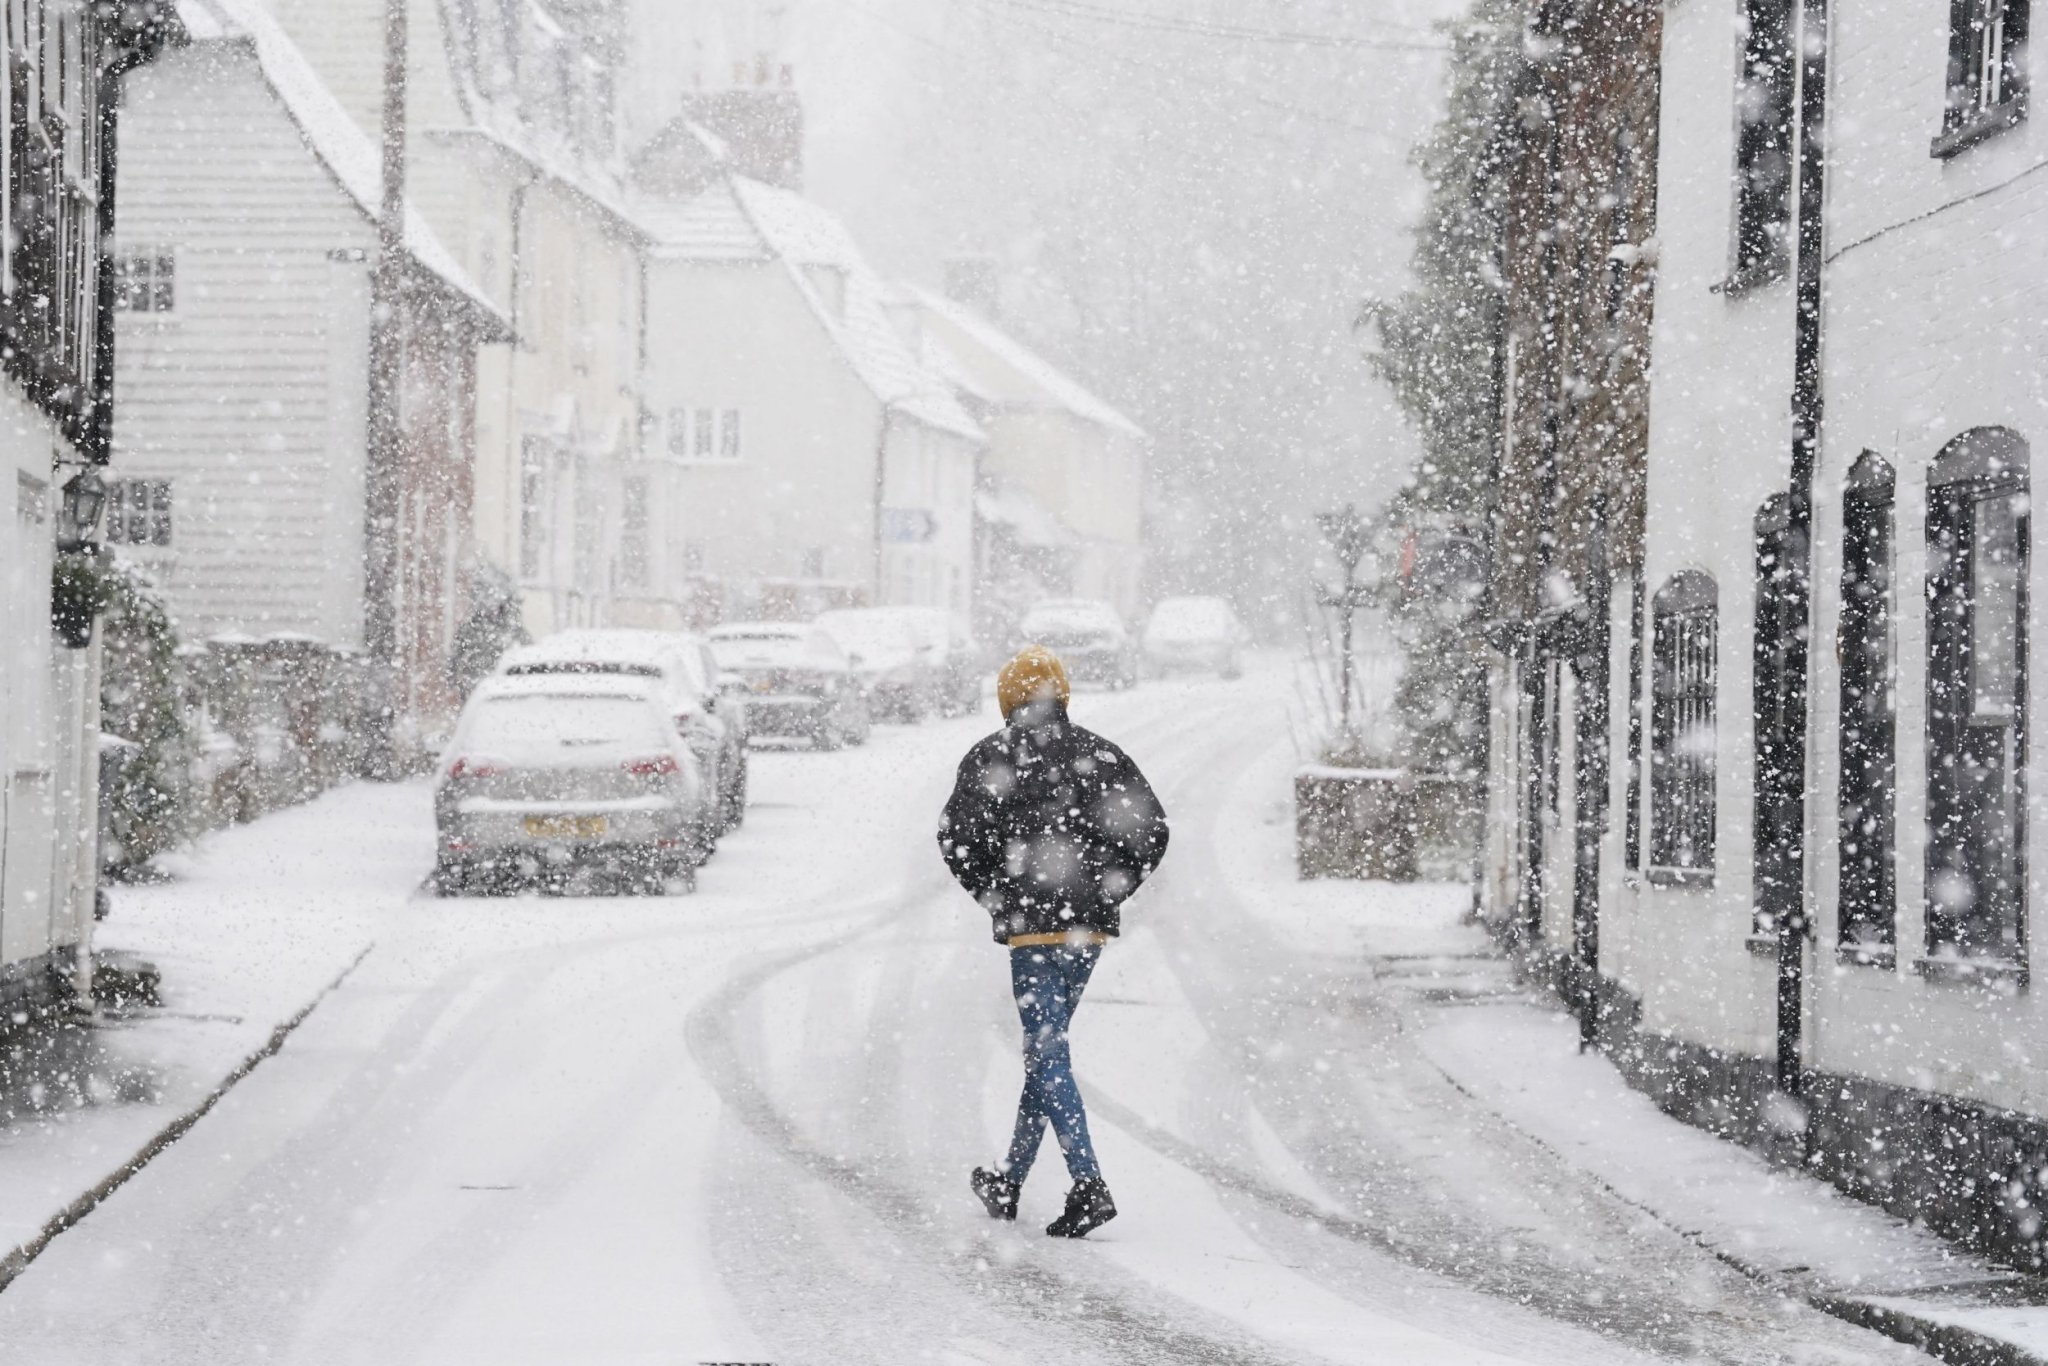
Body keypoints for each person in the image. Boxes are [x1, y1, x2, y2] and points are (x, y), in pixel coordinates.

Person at [937, 646, 1170, 1238]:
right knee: (1049, 1054)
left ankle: (1088, 1183)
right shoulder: (1101, 755)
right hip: (1085, 928)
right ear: (1061, 694)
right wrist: (1110, 890)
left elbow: (956, 839)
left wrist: (997, 893)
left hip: (1033, 930)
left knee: (1046, 1054)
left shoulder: (992, 757)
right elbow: (1152, 829)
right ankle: (1009, 1180)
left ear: (1006, 699)